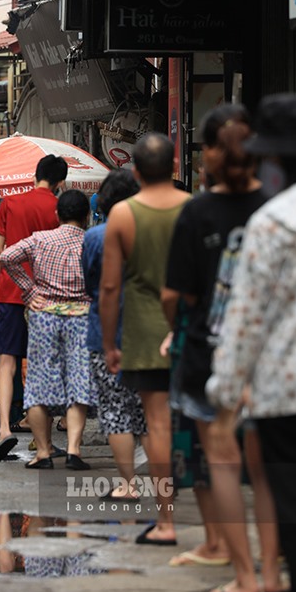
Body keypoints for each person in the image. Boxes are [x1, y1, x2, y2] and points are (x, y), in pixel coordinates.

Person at [208, 94, 296, 592]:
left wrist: (225, 394)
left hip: (288, 399)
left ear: (279, 162)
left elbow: (246, 319)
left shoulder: (272, 223)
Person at [162, 106, 278, 590]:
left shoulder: (198, 211)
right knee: (266, 468)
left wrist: (179, 327)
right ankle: (272, 574)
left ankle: (244, 576)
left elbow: (176, 296)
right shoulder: (276, 205)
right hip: (272, 353)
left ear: (207, 151)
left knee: (222, 462)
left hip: (210, 350)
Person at [100, 132, 190, 546]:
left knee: (156, 426)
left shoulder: (122, 215)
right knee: (203, 425)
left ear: (135, 171)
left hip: (142, 332)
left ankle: (167, 521)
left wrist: (109, 343)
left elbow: (111, 288)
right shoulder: (193, 208)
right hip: (190, 330)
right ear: (175, 167)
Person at [0, 190, 93, 470]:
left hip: (44, 318)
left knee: (39, 384)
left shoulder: (40, 239)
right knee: (78, 382)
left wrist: (29, 291)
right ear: (86, 215)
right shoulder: (92, 241)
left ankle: (42, 452)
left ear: (57, 215)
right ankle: (74, 449)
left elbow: (6, 257)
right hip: (82, 317)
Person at [0, 156, 66, 447]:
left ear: (35, 175)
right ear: (61, 183)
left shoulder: (10, 203)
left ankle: (5, 430)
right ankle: (40, 438)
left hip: (10, 292)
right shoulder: (60, 207)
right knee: (41, 364)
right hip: (46, 294)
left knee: (7, 363)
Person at [81, 170, 147, 498]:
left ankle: (129, 484)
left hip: (106, 330)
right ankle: (164, 485)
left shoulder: (95, 237)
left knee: (116, 408)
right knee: (151, 411)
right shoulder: (151, 231)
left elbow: (93, 283)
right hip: (149, 330)